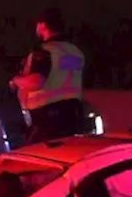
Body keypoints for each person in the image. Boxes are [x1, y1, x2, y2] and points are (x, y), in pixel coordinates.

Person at [10, 8, 86, 144]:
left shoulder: (45, 52)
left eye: (38, 24)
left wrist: (16, 80)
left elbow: (37, 82)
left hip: (47, 122)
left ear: (43, 25)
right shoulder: (73, 51)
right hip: (73, 116)